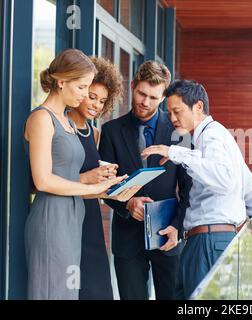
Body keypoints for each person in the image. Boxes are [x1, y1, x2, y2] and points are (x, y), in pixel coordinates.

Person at [141, 79, 252, 299]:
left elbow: (225, 178)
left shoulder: (211, 135)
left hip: (208, 240)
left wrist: (174, 153)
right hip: (206, 240)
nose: (172, 118)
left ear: (198, 107)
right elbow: (243, 174)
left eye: (177, 111)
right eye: (169, 112)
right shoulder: (213, 135)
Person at [23, 49, 128, 300]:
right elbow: (42, 180)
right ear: (62, 82)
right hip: (52, 219)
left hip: (73, 218)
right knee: (53, 292)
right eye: (82, 88)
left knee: (69, 293)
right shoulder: (41, 118)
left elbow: (71, 174)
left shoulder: (68, 123)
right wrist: (95, 189)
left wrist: (110, 187)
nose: (84, 95)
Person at [98, 61, 191, 300]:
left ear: (163, 98)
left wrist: (178, 228)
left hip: (167, 235)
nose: (145, 102)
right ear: (132, 86)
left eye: (153, 97)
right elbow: (104, 185)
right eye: (141, 93)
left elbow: (189, 188)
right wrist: (127, 204)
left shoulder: (177, 132)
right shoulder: (111, 131)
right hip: (128, 240)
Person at [67, 57, 141, 300]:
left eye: (102, 101)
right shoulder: (59, 126)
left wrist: (113, 182)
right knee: (69, 287)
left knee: (96, 288)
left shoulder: (96, 133)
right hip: (65, 214)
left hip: (90, 217)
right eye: (92, 96)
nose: (96, 105)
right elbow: (44, 180)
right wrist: (90, 178)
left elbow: (95, 183)